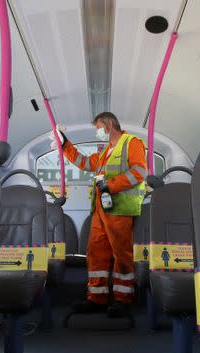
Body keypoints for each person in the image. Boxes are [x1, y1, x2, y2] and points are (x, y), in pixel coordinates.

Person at [50, 112, 147, 318]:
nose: (97, 131)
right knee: (95, 253)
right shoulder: (105, 152)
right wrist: (65, 143)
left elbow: (139, 171)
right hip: (101, 209)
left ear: (110, 124)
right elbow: (84, 162)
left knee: (122, 255)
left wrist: (110, 185)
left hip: (121, 208)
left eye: (98, 127)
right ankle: (97, 298)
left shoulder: (132, 143)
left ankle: (123, 300)